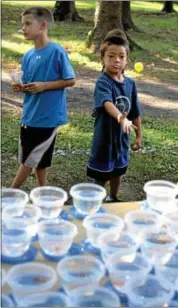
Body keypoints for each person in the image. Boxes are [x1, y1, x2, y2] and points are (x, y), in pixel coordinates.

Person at [11, 6, 76, 188]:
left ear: (43, 26)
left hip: (47, 118)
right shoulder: (28, 55)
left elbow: (70, 80)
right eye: (22, 24)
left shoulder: (56, 51)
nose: (23, 28)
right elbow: (29, 83)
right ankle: (44, 192)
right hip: (30, 115)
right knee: (40, 160)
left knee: (28, 160)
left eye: (28, 24)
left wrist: (44, 86)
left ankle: (9, 193)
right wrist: (21, 86)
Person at [87, 29, 142, 202]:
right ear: (102, 59)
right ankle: (96, 201)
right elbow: (107, 103)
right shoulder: (103, 82)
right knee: (101, 175)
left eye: (121, 56)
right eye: (111, 56)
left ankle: (114, 197)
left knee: (118, 171)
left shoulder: (131, 84)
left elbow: (135, 112)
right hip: (105, 139)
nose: (116, 60)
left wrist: (139, 136)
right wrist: (120, 118)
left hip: (122, 139)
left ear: (127, 60)